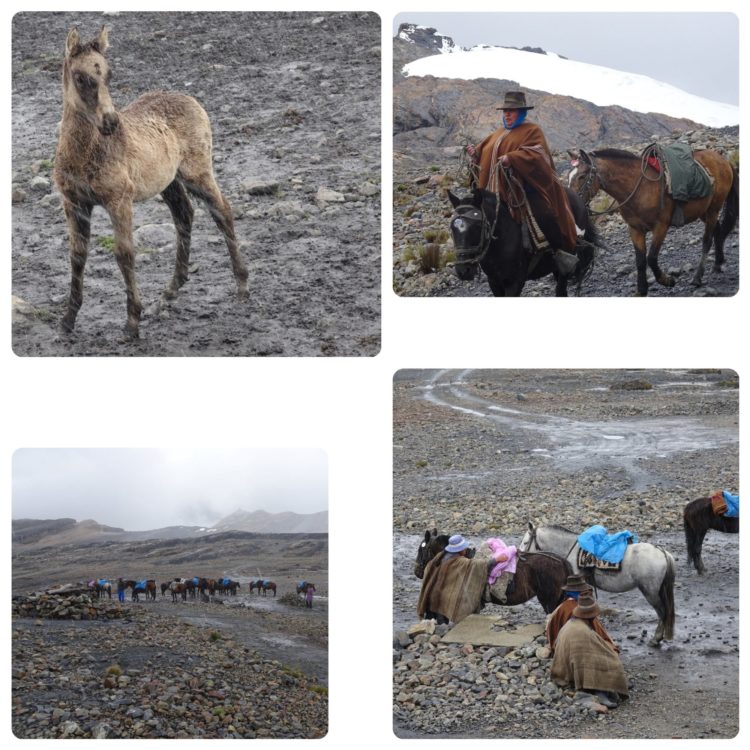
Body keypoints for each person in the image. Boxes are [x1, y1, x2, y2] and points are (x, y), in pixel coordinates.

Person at [466, 90, 579, 255]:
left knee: (546, 217)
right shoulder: (498, 133)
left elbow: (539, 154)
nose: (507, 115)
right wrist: (475, 154)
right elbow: (485, 153)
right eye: (505, 111)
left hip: (526, 190)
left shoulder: (532, 130)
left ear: (521, 112)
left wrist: (512, 158)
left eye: (511, 111)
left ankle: (560, 254)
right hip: (495, 193)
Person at [550, 591, 628, 709]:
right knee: (611, 662)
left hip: (562, 667)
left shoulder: (574, 622)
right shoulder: (582, 631)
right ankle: (598, 689)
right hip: (568, 673)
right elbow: (589, 654)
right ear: (590, 615)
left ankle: (607, 688)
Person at [417, 534, 509, 624]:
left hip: (433, 596)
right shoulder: (460, 562)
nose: (466, 549)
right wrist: (497, 560)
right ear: (459, 550)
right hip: (442, 599)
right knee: (452, 611)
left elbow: (429, 568)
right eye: (464, 548)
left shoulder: (440, 556)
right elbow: (478, 565)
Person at [546, 574, 619, 654]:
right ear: (581, 592)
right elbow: (597, 631)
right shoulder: (582, 609)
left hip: (561, 646)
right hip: (580, 648)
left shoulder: (561, 607)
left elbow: (551, 628)